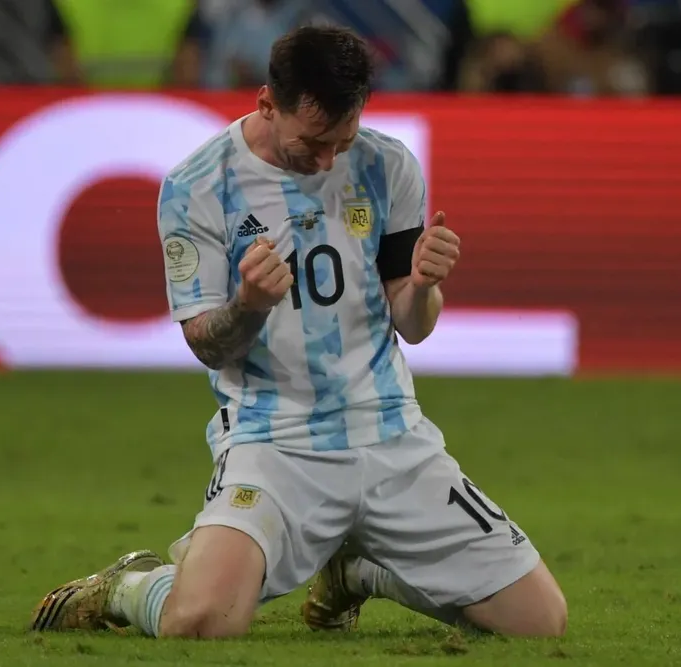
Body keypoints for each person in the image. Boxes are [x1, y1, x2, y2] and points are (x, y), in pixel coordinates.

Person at [28, 25, 567, 639]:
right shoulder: (198, 186)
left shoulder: (388, 165)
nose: (329, 160)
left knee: (540, 622)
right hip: (274, 441)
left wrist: (422, 286)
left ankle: (358, 573)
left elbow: (412, 327)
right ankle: (128, 585)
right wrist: (250, 305)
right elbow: (206, 342)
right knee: (201, 621)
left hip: (389, 434)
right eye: (313, 142)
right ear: (266, 103)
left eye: (344, 139)